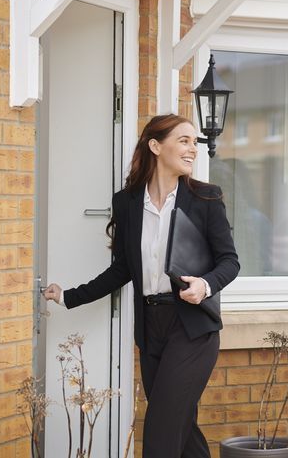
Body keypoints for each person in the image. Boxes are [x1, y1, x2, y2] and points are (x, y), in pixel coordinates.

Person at [42, 114, 240, 458]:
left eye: (195, 142)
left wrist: (205, 285)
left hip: (193, 327)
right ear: (155, 146)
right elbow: (122, 270)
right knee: (182, 429)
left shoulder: (206, 198)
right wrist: (68, 297)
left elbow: (229, 261)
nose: (193, 148)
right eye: (183, 140)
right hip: (151, 329)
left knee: (161, 428)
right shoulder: (128, 203)